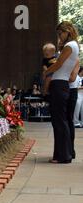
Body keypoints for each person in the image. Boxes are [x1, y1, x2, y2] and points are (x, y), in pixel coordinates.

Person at [43, 21, 80, 164]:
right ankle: (64, 154)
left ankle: (62, 155)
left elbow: (58, 64)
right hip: (62, 84)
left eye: (60, 33)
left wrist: (47, 72)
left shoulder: (69, 46)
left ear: (67, 31)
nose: (59, 37)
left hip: (59, 84)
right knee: (61, 121)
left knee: (59, 121)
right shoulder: (74, 46)